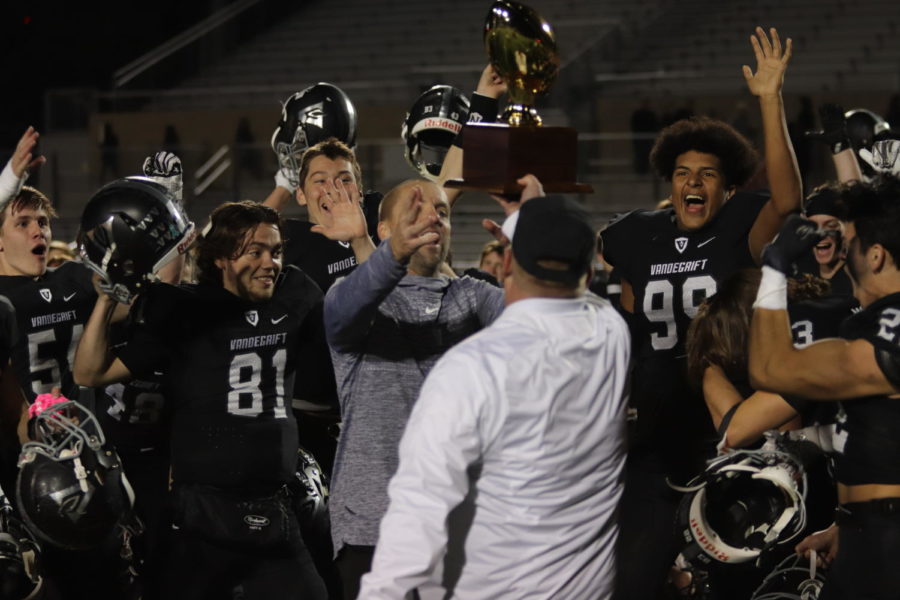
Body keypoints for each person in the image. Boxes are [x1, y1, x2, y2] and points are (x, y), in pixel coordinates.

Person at [600, 27, 802, 598]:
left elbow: (788, 203)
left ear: (729, 189)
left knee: (735, 581)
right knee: (634, 580)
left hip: (728, 427)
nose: (693, 182)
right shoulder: (635, 236)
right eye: (684, 172)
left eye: (708, 174)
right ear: (670, 180)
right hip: (658, 432)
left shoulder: (742, 226)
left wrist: (769, 99)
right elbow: (634, 319)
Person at [358, 195, 630, 599]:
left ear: (504, 266)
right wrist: (538, 216)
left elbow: (418, 511)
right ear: (588, 276)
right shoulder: (611, 334)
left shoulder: (471, 368)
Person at [73, 200, 329, 599]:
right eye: (255, 251)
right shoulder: (187, 311)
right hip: (203, 519)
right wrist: (106, 301)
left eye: (276, 252)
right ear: (223, 259)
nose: (270, 263)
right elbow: (89, 373)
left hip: (275, 509)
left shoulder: (295, 295)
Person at [324, 177, 510, 599]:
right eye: (416, 211)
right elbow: (342, 314)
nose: (432, 219)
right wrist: (390, 255)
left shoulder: (475, 297)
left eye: (442, 212)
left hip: (462, 523)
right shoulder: (354, 296)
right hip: (374, 526)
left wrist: (527, 233)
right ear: (386, 231)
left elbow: (539, 325)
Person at [748, 175, 900, 599]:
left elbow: (771, 368)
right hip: (871, 529)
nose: (844, 251)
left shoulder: (888, 333)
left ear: (875, 255)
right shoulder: (877, 323)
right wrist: (848, 526)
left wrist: (774, 269)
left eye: (849, 241)